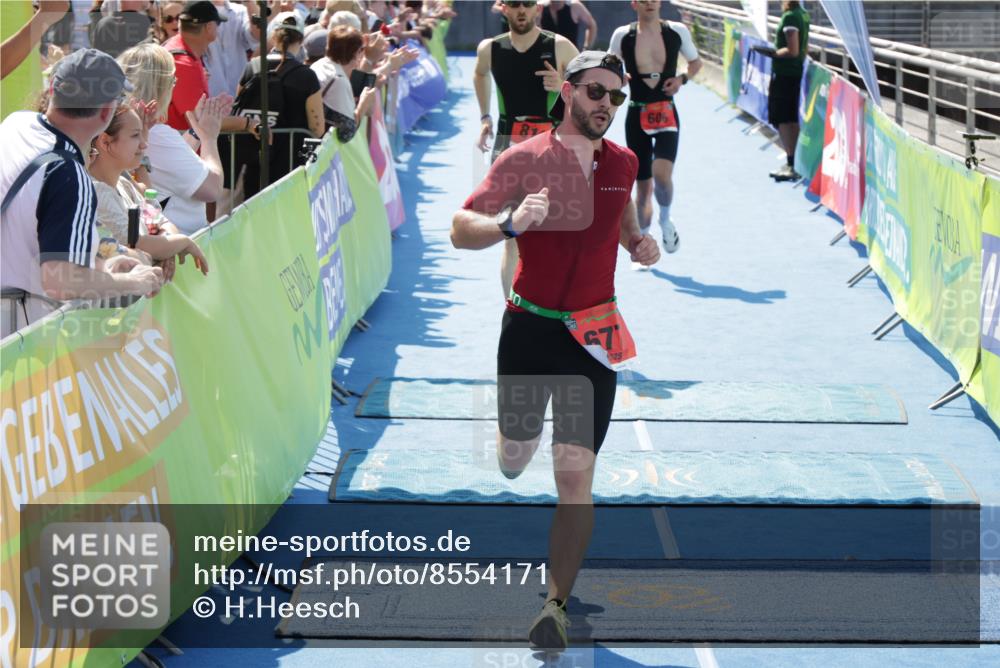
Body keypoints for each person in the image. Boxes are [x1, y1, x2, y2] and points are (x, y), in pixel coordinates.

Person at [451, 51, 659, 651]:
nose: (606, 105)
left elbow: (621, 222)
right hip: (528, 328)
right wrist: (509, 225)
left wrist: (640, 243)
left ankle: (555, 605)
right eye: (596, 92)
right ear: (568, 92)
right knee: (516, 458)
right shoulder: (525, 158)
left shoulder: (624, 159)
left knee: (575, 478)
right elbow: (461, 228)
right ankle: (516, 442)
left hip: (591, 338)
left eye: (616, 98)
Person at [0, 48, 163, 337]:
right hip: (18, 334)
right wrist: (134, 282)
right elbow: (60, 280)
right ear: (105, 113)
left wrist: (101, 267)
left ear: (52, 89)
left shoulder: (16, 123)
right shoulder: (69, 175)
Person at [474, 0, 578, 299]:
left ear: (537, 9)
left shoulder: (560, 47)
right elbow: (479, 73)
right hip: (508, 146)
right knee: (511, 233)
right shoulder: (490, 49)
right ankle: (512, 307)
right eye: (515, 4)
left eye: (528, 4)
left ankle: (555, 300)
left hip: (552, 149)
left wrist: (562, 85)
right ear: (503, 8)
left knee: (554, 232)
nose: (522, 10)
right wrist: (485, 117)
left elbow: (590, 91)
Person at [610, 0, 701, 255]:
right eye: (643, 0)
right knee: (643, 187)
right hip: (636, 112)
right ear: (634, 4)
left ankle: (666, 218)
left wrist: (681, 79)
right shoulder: (623, 35)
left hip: (665, 113)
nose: (649, 3)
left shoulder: (676, 31)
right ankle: (644, 241)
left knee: (662, 177)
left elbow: (696, 63)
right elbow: (610, 67)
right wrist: (620, 78)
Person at [88, 100, 210, 279]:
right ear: (105, 142)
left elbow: (160, 222)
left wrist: (167, 250)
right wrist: (181, 242)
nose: (144, 144)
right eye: (135, 135)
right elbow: (136, 244)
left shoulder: (125, 185)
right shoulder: (97, 192)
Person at [118, 42, 227, 234]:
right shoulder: (156, 133)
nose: (173, 87)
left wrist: (197, 132)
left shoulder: (126, 126)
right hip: (177, 246)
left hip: (164, 240)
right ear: (161, 86)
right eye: (173, 82)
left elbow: (170, 162)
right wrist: (209, 138)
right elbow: (212, 189)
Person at [231, 11, 323, 197]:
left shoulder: (253, 66)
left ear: (273, 36)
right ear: (301, 39)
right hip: (291, 164)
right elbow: (317, 127)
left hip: (255, 158)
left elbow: (239, 106)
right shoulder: (307, 76)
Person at [754, 0, 810, 181]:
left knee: (784, 119)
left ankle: (791, 164)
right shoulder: (802, 14)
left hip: (785, 74)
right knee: (791, 118)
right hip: (793, 73)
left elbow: (792, 50)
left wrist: (772, 53)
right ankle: (794, 162)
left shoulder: (791, 17)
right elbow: (802, 48)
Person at [311, 24, 377, 142]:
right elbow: (346, 133)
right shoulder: (338, 80)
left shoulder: (319, 64)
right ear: (357, 53)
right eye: (362, 49)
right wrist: (363, 104)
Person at [203, 1, 258, 98]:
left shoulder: (241, 10)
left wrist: (250, 2)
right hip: (210, 97)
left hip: (240, 93)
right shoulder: (196, 8)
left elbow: (257, 37)